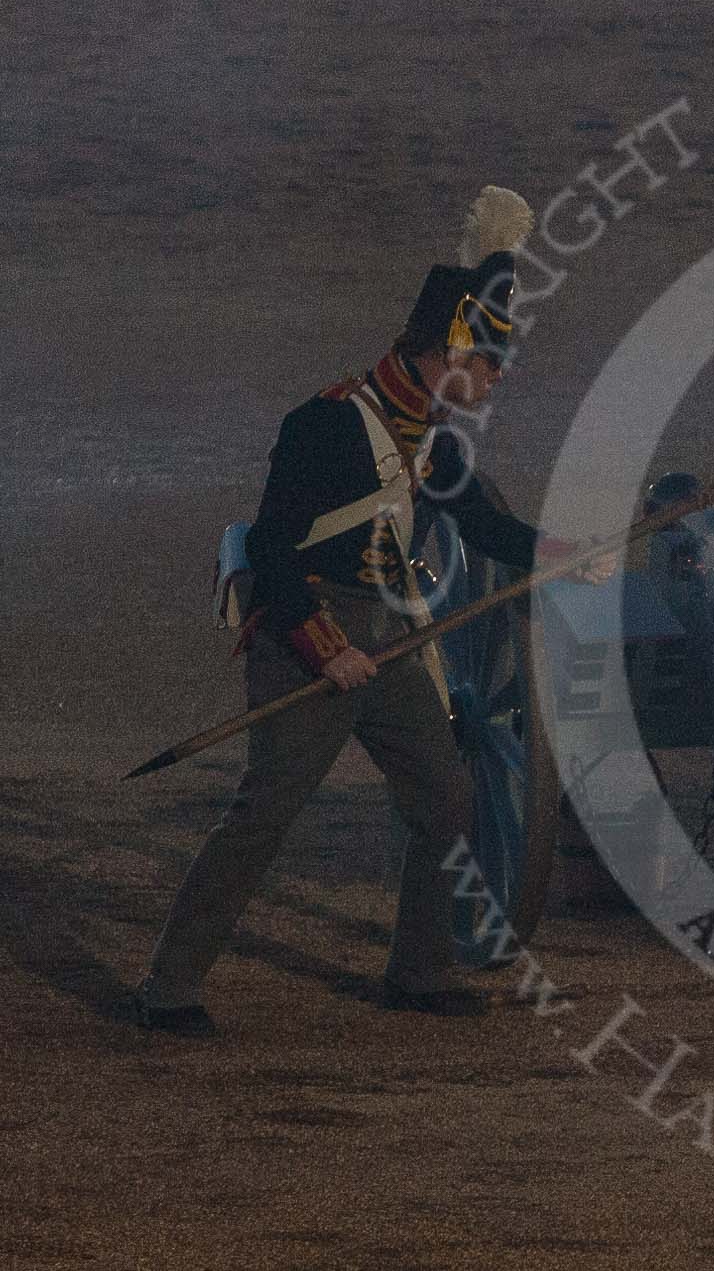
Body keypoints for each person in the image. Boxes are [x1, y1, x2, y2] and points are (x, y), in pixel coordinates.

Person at [133, 186, 610, 1035]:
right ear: (452, 349)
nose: (496, 378)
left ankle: (419, 972)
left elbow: (486, 526)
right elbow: (274, 553)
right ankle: (167, 987)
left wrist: (566, 555)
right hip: (304, 631)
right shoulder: (323, 425)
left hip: (385, 640)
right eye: (490, 361)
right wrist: (324, 647)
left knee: (447, 796)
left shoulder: (436, 441)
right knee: (265, 812)